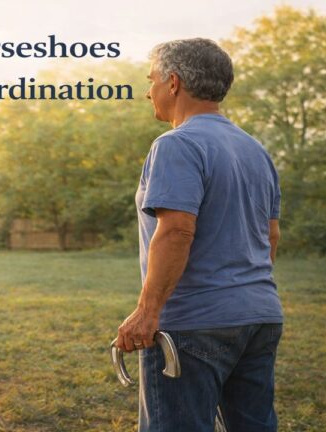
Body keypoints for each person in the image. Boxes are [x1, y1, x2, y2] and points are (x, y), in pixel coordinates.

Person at [115, 38, 283, 432]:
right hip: (259, 317)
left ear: (173, 83)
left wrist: (148, 312)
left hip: (193, 324)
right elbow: (271, 236)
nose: (148, 92)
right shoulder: (255, 150)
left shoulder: (177, 144)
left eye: (152, 80)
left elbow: (176, 230)